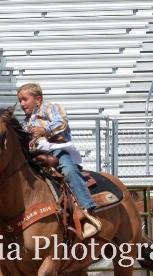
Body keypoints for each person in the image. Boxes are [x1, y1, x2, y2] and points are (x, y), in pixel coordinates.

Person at [16, 82, 101, 239]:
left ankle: (87, 210)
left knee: (68, 169)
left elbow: (62, 122)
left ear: (38, 99)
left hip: (58, 148)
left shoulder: (50, 107)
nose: (22, 104)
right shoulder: (26, 121)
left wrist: (44, 130)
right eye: (20, 100)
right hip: (38, 153)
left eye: (25, 99)